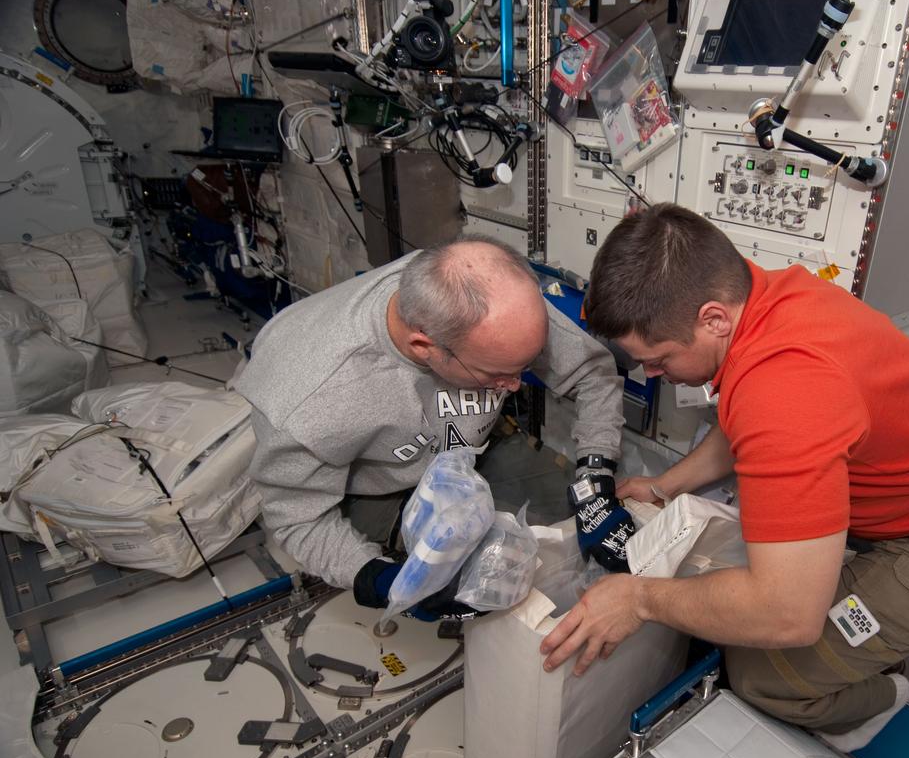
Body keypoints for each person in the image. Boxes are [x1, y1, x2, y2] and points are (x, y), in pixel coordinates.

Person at [540, 204, 909, 751]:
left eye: (658, 360)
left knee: (757, 674)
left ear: (713, 319)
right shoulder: (769, 296)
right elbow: (741, 420)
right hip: (907, 504)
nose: (653, 375)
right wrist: (664, 485)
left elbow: (787, 615)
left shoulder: (786, 393)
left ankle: (880, 698)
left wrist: (638, 600)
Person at [233, 235, 635, 619]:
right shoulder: (309, 402)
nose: (515, 387)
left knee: (560, 538)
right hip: (378, 487)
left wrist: (594, 481)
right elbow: (297, 518)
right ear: (423, 347)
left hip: (472, 448)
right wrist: (380, 581)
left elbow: (592, 375)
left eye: (523, 370)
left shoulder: (489, 294)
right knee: (473, 579)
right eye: (500, 374)